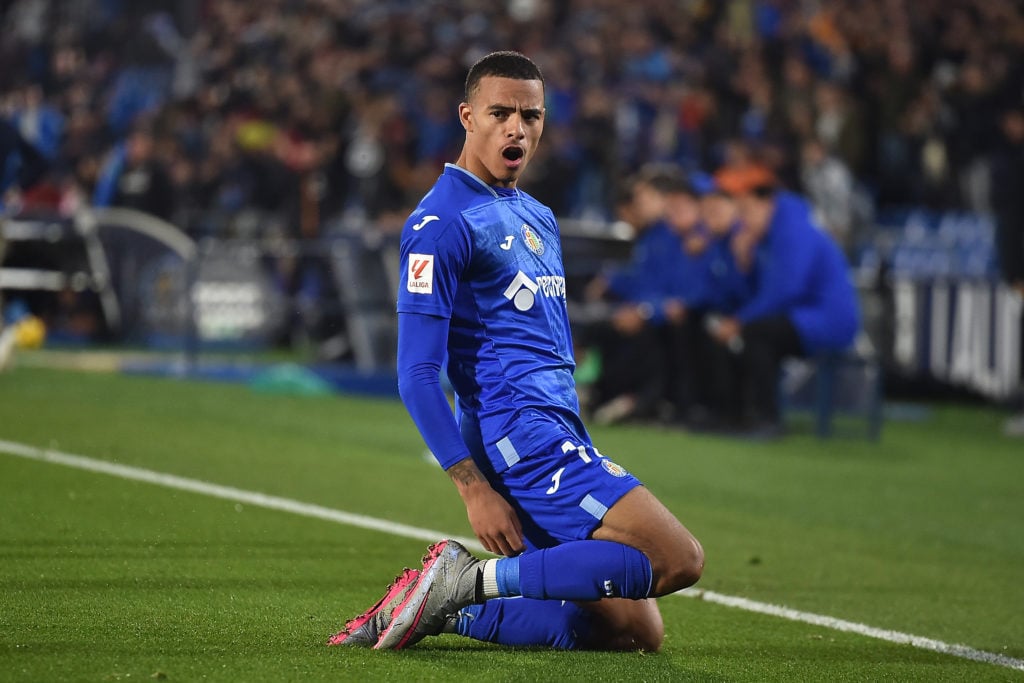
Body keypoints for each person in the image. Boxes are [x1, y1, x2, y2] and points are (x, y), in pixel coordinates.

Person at [330, 51, 704, 652]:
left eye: (530, 115)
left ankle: (446, 607)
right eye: (500, 113)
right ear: (467, 116)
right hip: (518, 434)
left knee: (633, 629)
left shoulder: (537, 215)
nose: (517, 128)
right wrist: (472, 486)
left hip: (557, 426)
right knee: (675, 558)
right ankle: (469, 580)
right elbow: (417, 373)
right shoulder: (440, 222)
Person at [706, 164, 860, 436]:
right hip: (800, 316)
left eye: (746, 210)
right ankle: (735, 415)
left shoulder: (794, 229)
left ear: (766, 202)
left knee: (757, 333)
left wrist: (740, 320)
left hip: (828, 319)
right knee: (738, 331)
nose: (743, 219)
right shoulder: (765, 238)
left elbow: (785, 291)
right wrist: (742, 264)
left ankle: (768, 420)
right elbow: (748, 295)